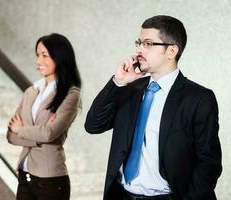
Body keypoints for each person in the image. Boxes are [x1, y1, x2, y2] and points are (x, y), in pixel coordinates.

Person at [85, 15, 222, 200]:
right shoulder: (130, 89)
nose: (140, 49)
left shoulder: (198, 98)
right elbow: (93, 125)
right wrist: (118, 82)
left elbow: (208, 163)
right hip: (122, 195)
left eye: (148, 44)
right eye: (139, 43)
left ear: (171, 51)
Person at [7, 33, 81, 200]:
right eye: (37, 55)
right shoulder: (31, 91)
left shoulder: (71, 94)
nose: (38, 61)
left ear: (59, 57)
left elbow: (49, 133)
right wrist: (38, 134)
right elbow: (11, 135)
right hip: (25, 176)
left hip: (51, 181)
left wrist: (22, 129)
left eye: (44, 55)